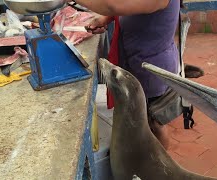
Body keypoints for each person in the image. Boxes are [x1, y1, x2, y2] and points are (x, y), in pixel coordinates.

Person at [69, 0, 181, 149]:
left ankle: (160, 166)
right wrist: (106, 18)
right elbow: (124, 5)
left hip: (150, 71)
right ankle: (139, 155)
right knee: (136, 118)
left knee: (153, 123)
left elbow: (112, 5)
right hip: (135, 62)